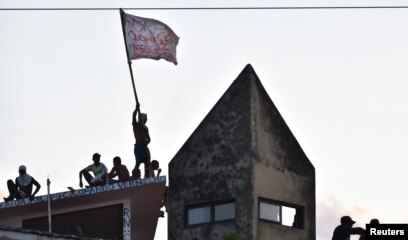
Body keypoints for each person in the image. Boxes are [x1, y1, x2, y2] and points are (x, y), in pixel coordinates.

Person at [132, 104, 151, 178]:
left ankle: (147, 176)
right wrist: (136, 109)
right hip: (138, 146)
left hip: (144, 146)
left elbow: (149, 138)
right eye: (145, 119)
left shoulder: (145, 128)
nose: (146, 120)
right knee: (138, 162)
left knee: (147, 161)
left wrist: (147, 141)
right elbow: (133, 117)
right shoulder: (136, 125)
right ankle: (134, 177)